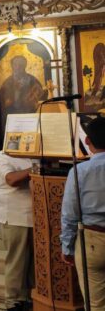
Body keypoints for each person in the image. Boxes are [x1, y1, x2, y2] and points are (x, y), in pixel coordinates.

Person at [61, 116, 105, 311]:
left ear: (87, 141)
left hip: (92, 240)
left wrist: (67, 247)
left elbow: (70, 213)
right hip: (92, 239)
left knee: (96, 304)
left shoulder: (80, 171)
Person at [0, 150, 34, 311]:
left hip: (35, 216)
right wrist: (34, 169)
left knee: (33, 263)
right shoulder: (2, 156)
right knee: (17, 260)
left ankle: (30, 296)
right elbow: (11, 179)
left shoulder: (34, 155)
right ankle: (13, 300)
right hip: (14, 215)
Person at [0, 55, 46, 130]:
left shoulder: (32, 80)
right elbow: (2, 103)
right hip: (13, 119)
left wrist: (32, 99)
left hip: (31, 117)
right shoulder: (7, 83)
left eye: (21, 65)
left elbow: (41, 98)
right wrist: (15, 93)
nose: (18, 67)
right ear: (12, 66)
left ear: (25, 66)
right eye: (15, 65)